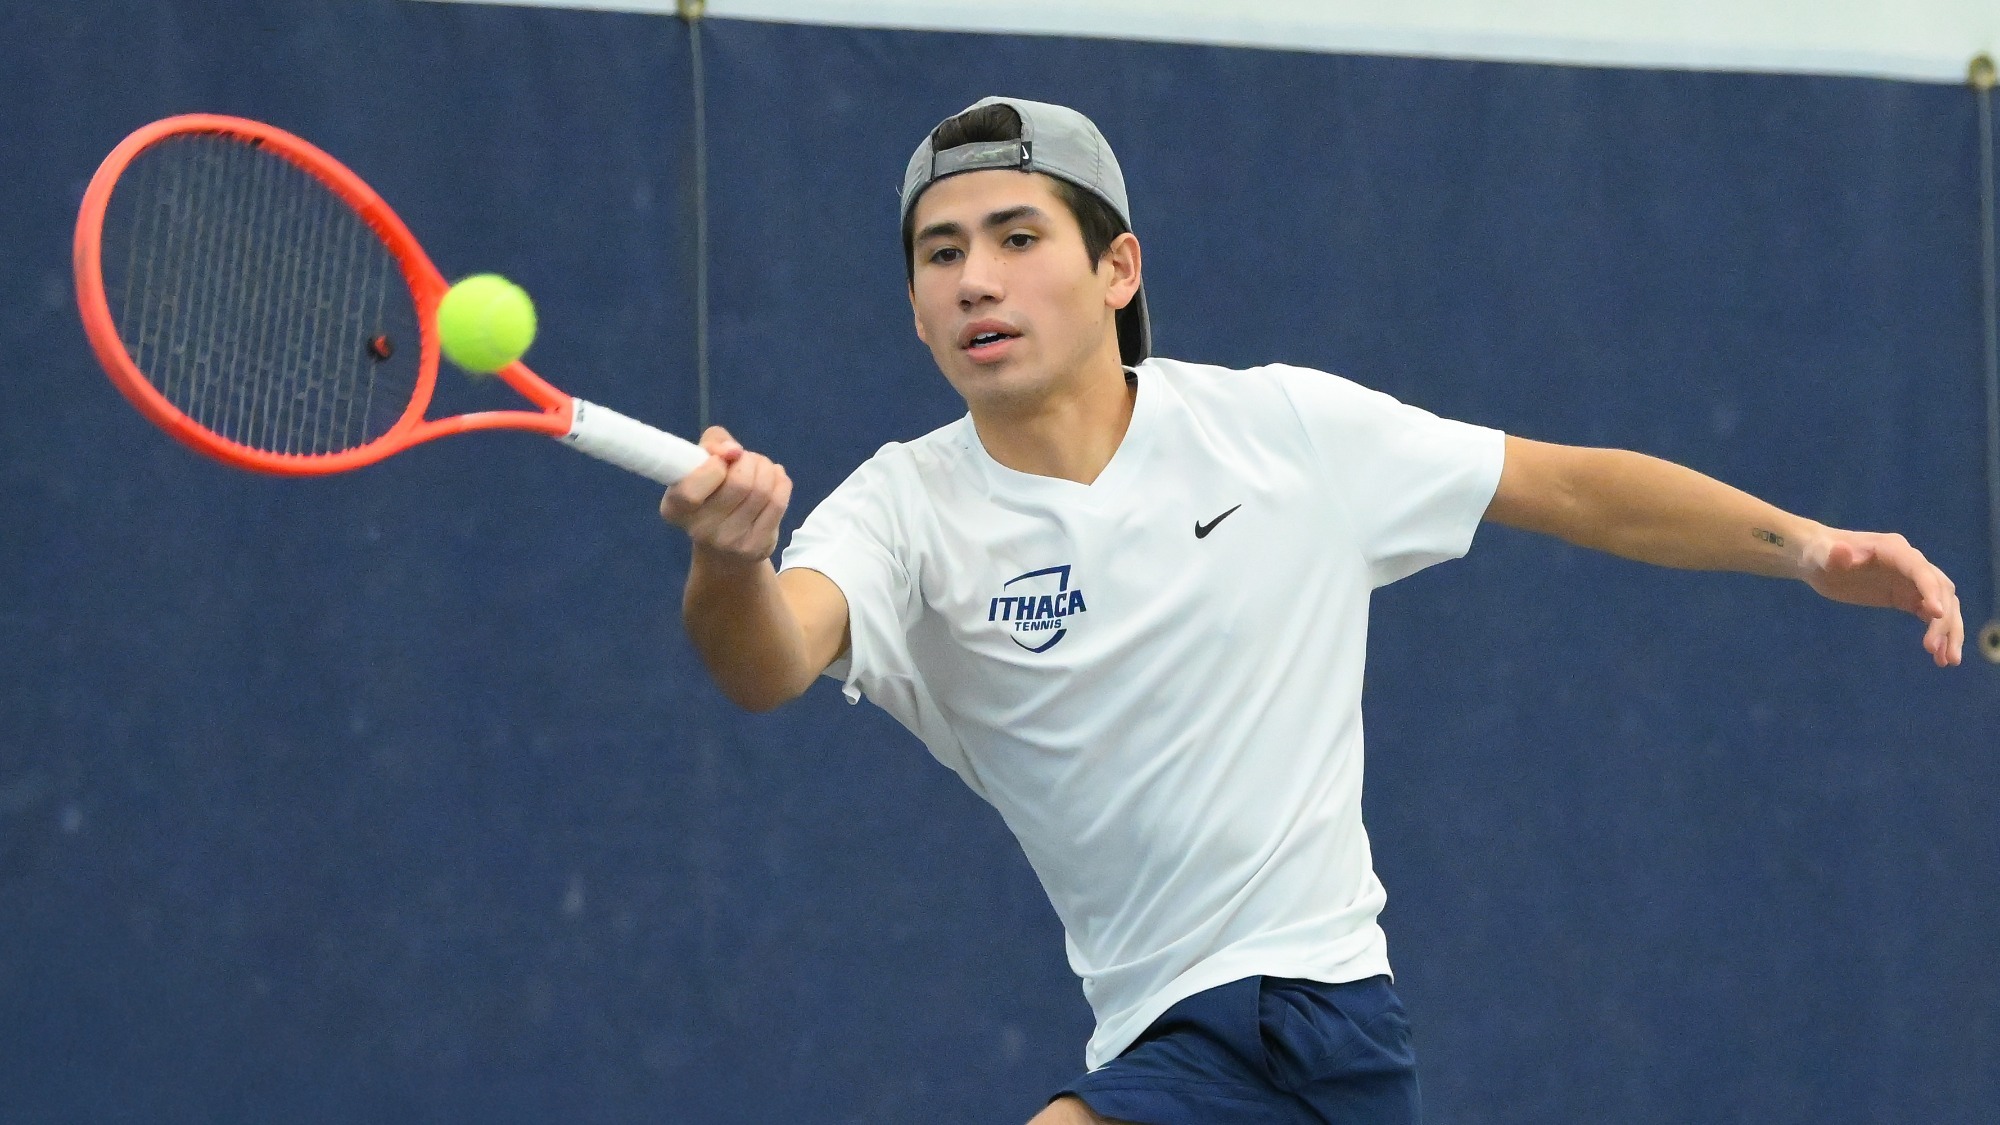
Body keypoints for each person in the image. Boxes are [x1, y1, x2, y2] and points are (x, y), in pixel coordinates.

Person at [658, 97, 1964, 1125]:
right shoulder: (900, 512)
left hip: (1318, 1010)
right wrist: (730, 560)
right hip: (1171, 1037)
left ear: (1117, 267)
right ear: (913, 310)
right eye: (940, 254)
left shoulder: (1281, 429)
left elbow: (1571, 488)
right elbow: (771, 656)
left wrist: (1806, 548)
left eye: (1016, 238)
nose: (974, 280)